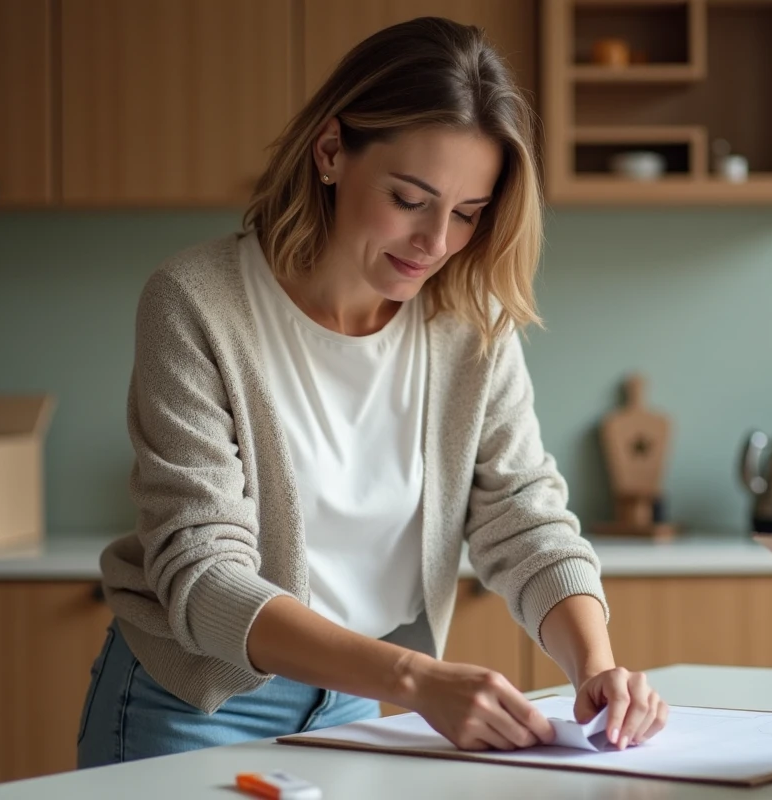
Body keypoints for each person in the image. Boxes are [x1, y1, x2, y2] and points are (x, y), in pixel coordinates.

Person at [77, 16, 667, 767]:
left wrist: (597, 667)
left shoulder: (470, 325)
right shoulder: (196, 303)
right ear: (331, 152)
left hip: (353, 699)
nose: (436, 242)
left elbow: (523, 518)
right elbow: (202, 572)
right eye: (410, 198)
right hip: (192, 703)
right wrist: (417, 681)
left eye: (466, 214)